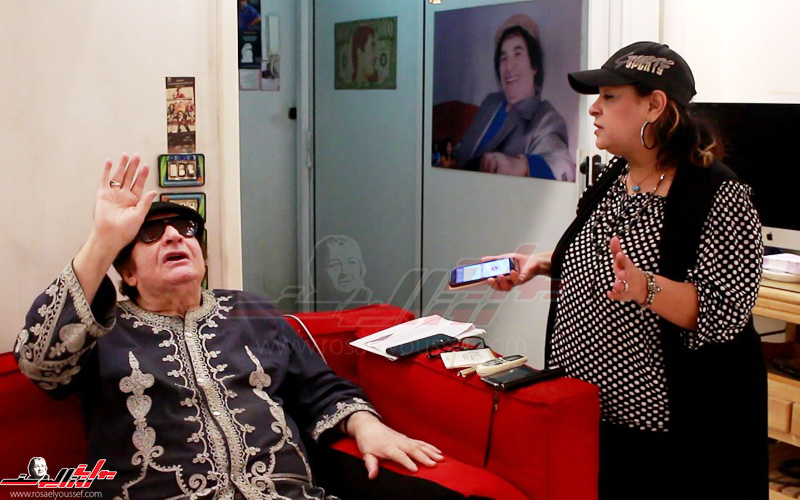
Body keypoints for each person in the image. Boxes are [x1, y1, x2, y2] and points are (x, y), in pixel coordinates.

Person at [14, 154, 442, 499]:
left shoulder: (251, 311)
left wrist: (367, 426)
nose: (175, 237)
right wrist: (102, 242)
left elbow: (320, 387)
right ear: (127, 273)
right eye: (151, 234)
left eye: (186, 230)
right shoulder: (103, 329)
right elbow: (38, 364)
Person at [486, 42, 766, 499]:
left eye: (610, 96)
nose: (594, 108)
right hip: (583, 410)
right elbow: (603, 261)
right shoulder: (615, 176)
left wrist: (646, 287)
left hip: (661, 434)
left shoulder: (719, 194)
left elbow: (726, 311)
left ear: (655, 105)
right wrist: (538, 265)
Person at [455, 14, 574, 181]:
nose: (509, 67)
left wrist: (522, 165)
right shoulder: (491, 102)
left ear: (534, 66)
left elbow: (563, 166)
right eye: (503, 58)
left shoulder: (547, 118)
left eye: (518, 54)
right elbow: (463, 150)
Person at [315, 235, 373, 311]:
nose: (345, 272)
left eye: (351, 262)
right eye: (335, 264)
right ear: (320, 271)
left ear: (361, 267)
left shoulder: (373, 304)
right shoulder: (310, 304)